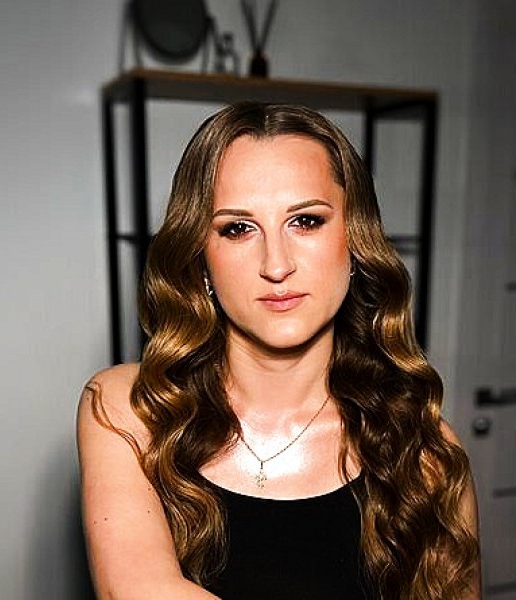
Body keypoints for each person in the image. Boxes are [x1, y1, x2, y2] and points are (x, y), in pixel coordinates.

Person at [77, 102, 480, 599]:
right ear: (200, 259)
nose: (276, 264)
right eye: (238, 228)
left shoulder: (424, 449)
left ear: (355, 239)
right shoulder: (130, 409)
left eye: (306, 221)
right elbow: (136, 590)